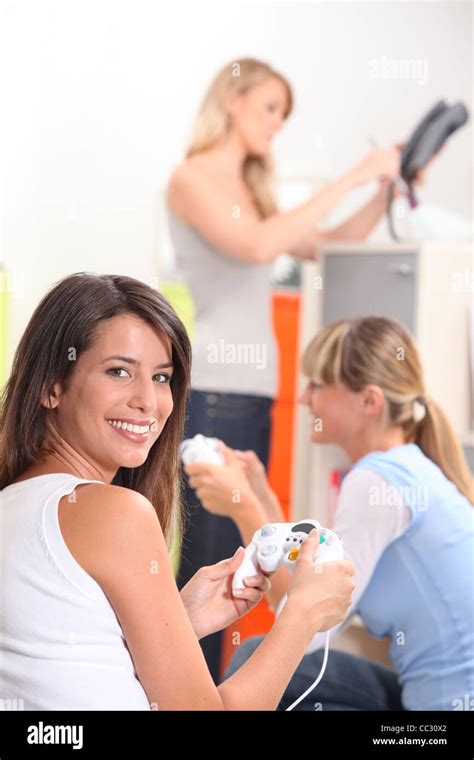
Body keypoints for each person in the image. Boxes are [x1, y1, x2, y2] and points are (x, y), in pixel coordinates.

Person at [0, 272, 355, 710]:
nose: (148, 401)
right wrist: (302, 613)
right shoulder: (115, 513)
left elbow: (66, 666)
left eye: (163, 378)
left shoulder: (13, 503)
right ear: (51, 386)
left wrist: (178, 624)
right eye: (119, 372)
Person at [166, 57, 404, 679]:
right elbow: (258, 246)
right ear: (233, 100)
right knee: (206, 566)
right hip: (214, 392)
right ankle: (175, 693)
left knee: (242, 565)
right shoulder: (191, 180)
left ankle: (200, 692)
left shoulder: (252, 192)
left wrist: (384, 189)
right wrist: (356, 171)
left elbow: (326, 242)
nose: (277, 126)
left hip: (249, 395)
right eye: (271, 109)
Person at [185, 316, 474, 710]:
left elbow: (310, 625)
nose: (305, 398)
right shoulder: (406, 468)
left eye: (317, 385)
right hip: (426, 695)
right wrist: (263, 500)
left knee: (258, 660)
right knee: (262, 658)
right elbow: (307, 598)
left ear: (369, 402)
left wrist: (244, 507)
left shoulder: (377, 482)